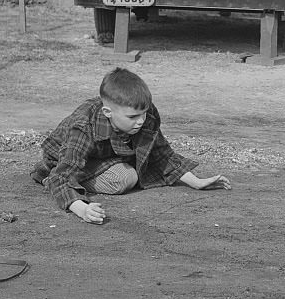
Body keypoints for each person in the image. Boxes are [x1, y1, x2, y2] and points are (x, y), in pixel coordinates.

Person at [31, 67, 231, 224]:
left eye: (144, 113)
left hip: (110, 157)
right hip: (65, 159)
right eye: (133, 117)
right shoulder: (83, 126)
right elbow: (64, 174)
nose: (141, 120)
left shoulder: (143, 112)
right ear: (108, 113)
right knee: (125, 177)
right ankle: (47, 175)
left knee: (141, 165)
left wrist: (196, 182)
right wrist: (81, 208)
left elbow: (161, 153)